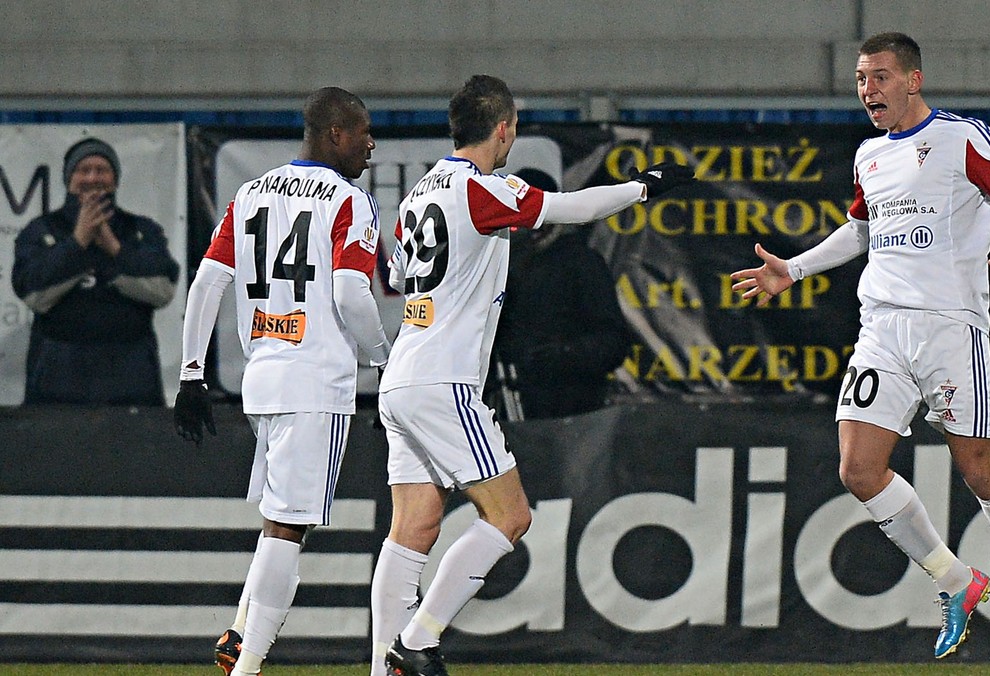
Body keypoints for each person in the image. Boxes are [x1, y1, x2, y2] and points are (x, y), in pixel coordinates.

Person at [731, 32, 990, 669]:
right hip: (882, 327)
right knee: (857, 470)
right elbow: (861, 228)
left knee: (979, 473)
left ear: (913, 79)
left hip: (950, 328)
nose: (867, 90)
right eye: (860, 78)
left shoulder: (961, 137)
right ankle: (957, 581)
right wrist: (791, 270)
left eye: (879, 77)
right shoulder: (869, 154)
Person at [371, 74, 693, 676]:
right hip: (444, 383)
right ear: (503, 128)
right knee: (510, 516)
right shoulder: (480, 189)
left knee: (411, 529)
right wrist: (643, 187)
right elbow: (568, 209)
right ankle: (416, 640)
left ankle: (382, 668)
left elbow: (404, 277)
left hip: (401, 378)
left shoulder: (419, 194)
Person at [172, 86, 391, 675]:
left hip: (262, 378)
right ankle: (246, 666)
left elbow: (207, 283)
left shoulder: (249, 192)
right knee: (289, 530)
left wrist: (192, 373)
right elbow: (350, 291)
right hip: (316, 382)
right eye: (362, 131)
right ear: (334, 135)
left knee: (279, 521)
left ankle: (240, 631)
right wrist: (382, 356)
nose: (371, 143)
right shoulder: (348, 199)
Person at [11, 137, 180, 406]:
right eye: (83, 170)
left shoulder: (140, 230)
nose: (92, 177)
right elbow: (33, 294)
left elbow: (163, 289)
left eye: (102, 170)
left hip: (131, 384)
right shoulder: (42, 230)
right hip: (57, 386)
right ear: (69, 179)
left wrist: (114, 249)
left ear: (115, 179)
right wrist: (77, 244)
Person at [488, 168, 633, 420]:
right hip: (507, 410)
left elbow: (613, 342)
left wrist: (562, 355)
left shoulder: (580, 263)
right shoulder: (498, 263)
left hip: (570, 415)